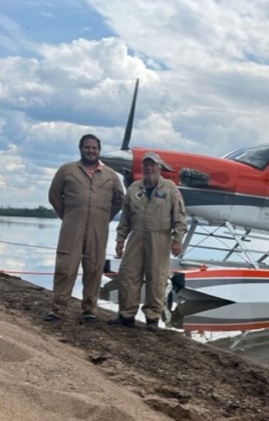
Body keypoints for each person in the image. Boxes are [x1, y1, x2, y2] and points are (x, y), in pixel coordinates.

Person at [44, 134, 125, 322]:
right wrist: (69, 215)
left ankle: (89, 310)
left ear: (99, 150)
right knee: (66, 266)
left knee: (94, 268)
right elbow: (54, 195)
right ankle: (58, 308)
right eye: (87, 147)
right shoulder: (67, 171)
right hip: (72, 227)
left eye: (94, 148)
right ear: (81, 149)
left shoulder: (111, 176)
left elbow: (119, 200)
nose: (91, 151)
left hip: (98, 229)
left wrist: (103, 217)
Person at [107, 151, 187, 331]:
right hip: (136, 237)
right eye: (146, 165)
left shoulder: (170, 189)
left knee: (156, 278)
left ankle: (152, 319)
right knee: (128, 275)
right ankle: (126, 315)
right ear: (142, 167)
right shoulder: (134, 189)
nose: (149, 168)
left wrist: (178, 240)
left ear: (159, 168)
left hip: (160, 238)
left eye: (153, 165)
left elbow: (180, 218)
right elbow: (125, 219)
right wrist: (120, 239)